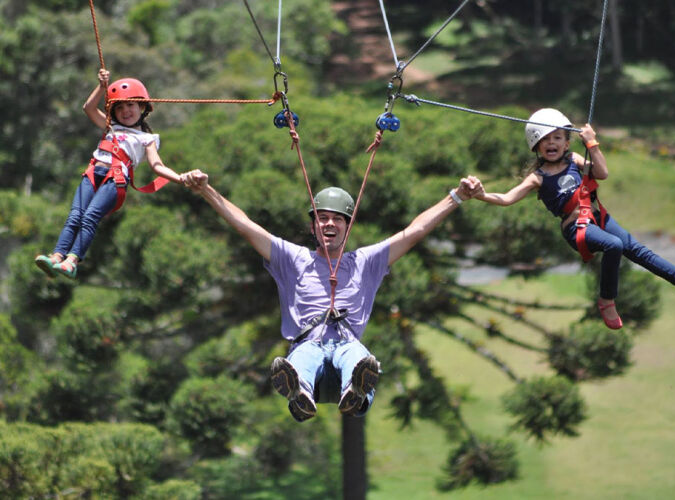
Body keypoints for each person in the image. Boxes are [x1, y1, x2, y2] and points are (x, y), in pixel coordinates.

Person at [181, 169, 482, 422]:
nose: (329, 224)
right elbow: (245, 225)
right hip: (307, 344)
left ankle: (356, 389)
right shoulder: (292, 258)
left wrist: (455, 197)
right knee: (304, 358)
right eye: (322, 218)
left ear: (347, 227)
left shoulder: (366, 262)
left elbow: (414, 231)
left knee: (357, 356)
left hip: (347, 347)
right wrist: (207, 191)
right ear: (313, 225)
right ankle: (300, 392)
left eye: (337, 219)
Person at [472, 108, 675, 330]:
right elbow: (506, 198)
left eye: (557, 138)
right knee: (614, 245)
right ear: (536, 145)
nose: (551, 143)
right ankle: (606, 301)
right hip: (576, 228)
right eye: (546, 139)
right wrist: (481, 194)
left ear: (566, 142)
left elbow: (602, 173)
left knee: (635, 248)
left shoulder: (574, 159)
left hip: (598, 217)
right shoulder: (538, 178)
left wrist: (592, 144)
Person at [34, 69, 184, 279]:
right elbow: (88, 108)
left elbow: (157, 166)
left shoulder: (147, 139)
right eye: (120, 107)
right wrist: (102, 87)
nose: (125, 111)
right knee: (75, 216)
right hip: (93, 172)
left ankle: (72, 261)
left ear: (142, 106)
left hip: (115, 179)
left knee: (89, 217)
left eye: (130, 104)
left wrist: (180, 178)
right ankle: (57, 257)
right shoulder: (110, 126)